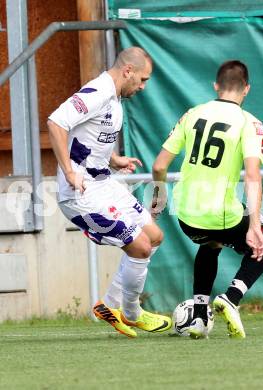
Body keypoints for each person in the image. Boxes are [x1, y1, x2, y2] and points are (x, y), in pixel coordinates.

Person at [47, 47, 171, 338]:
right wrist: (69, 171)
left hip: (104, 183)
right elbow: (56, 123)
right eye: (142, 79)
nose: (142, 86)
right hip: (81, 193)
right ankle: (131, 313)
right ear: (127, 70)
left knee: (154, 237)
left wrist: (115, 160)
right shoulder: (98, 91)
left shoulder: (114, 99)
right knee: (139, 246)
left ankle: (111, 305)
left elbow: (90, 136)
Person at [152, 60, 263, 339]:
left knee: (211, 243)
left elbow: (159, 166)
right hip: (221, 214)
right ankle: (231, 297)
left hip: (185, 215)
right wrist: (255, 225)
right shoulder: (250, 123)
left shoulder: (192, 114)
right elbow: (252, 175)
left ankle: (198, 314)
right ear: (246, 89)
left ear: (215, 87)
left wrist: (159, 198)